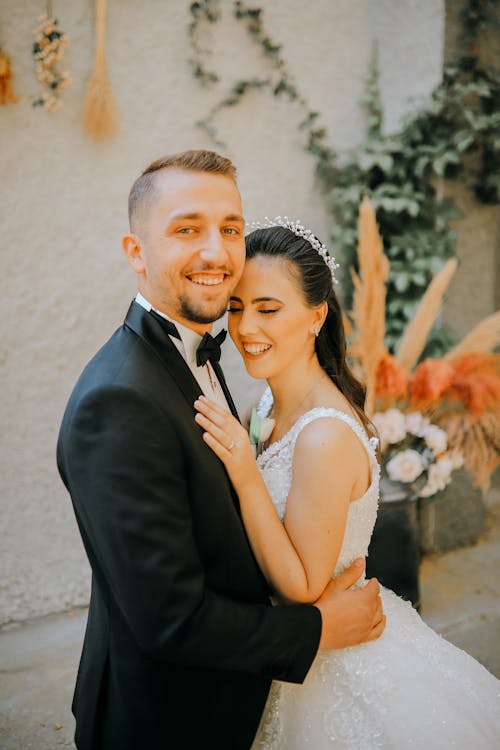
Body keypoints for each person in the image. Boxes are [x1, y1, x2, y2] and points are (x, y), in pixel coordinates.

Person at [56, 151, 385, 750]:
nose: (217, 252)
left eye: (230, 228)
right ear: (136, 252)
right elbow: (169, 619)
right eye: (187, 229)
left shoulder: (200, 358)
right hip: (169, 719)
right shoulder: (119, 401)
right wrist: (314, 629)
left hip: (237, 697)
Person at [194, 219, 500, 749]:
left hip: (337, 664)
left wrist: (243, 469)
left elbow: (303, 586)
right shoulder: (265, 405)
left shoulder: (325, 436)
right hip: (287, 651)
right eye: (237, 307)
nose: (245, 328)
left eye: (268, 309)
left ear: (317, 315)